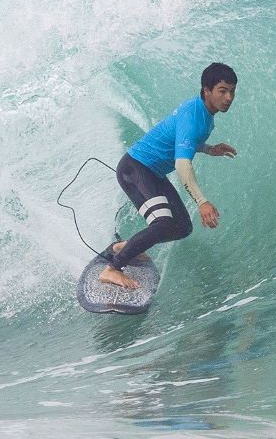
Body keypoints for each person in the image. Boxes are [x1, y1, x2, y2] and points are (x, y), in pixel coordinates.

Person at [99, 62, 238, 289]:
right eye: (222, 91)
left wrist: (209, 149)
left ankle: (125, 247)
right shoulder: (193, 116)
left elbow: (185, 141)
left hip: (152, 173)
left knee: (182, 227)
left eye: (232, 91)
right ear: (206, 90)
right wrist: (202, 202)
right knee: (163, 224)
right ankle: (112, 269)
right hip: (135, 168)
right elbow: (182, 165)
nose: (229, 97)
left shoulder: (205, 115)